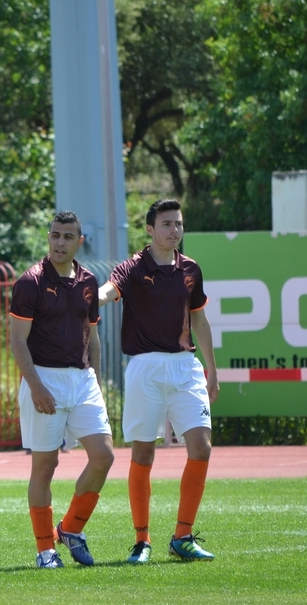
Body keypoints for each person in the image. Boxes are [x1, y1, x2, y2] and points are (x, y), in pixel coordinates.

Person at [98, 198, 219, 564]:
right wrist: (87, 298)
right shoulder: (133, 267)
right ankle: (142, 540)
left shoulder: (191, 269)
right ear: (150, 229)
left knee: (201, 447)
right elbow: (108, 291)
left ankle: (182, 537)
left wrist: (212, 369)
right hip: (145, 368)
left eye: (178, 223)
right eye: (167, 224)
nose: (174, 230)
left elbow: (199, 320)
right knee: (143, 453)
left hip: (185, 367)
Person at [9, 211, 115, 569]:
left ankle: (70, 528)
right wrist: (35, 386)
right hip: (44, 378)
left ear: (79, 242)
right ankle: (45, 550)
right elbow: (17, 340)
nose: (60, 242)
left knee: (104, 456)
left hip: (83, 380)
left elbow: (93, 337)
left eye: (68, 237)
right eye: (55, 235)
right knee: (45, 466)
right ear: (48, 237)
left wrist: (96, 380)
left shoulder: (89, 281)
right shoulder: (30, 282)